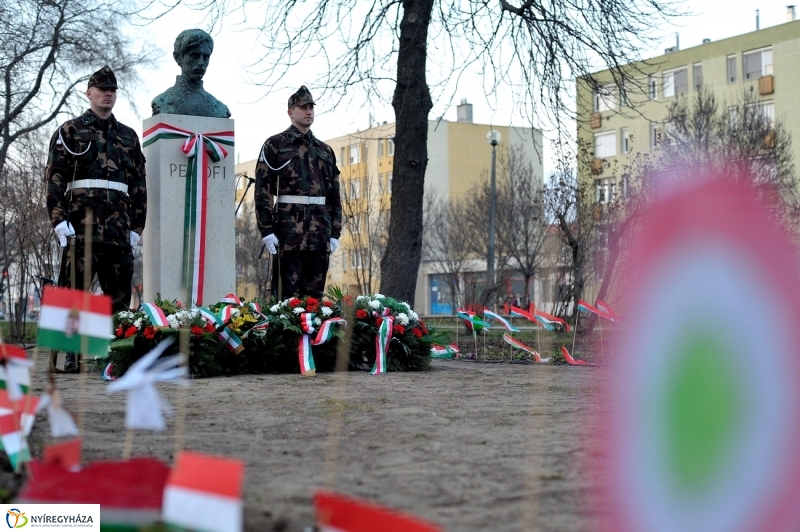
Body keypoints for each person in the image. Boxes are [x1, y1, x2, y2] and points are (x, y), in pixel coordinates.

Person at [45, 66, 147, 371]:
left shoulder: (128, 137)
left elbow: (139, 186)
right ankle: (70, 354)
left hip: (118, 230)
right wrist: (58, 220)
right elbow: (54, 180)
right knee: (74, 293)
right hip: (80, 226)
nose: (108, 94)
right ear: (89, 93)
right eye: (102, 89)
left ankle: (114, 353)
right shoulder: (70, 131)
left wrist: (137, 227)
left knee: (118, 297)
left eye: (112, 90)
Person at [254, 85, 342, 299]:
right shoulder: (275, 145)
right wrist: (266, 230)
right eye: (303, 107)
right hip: (288, 234)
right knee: (287, 301)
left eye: (311, 107)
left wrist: (335, 232)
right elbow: (263, 190)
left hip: (320, 233)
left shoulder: (325, 150)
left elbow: (334, 196)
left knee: (314, 301)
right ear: (290, 112)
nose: (308, 111)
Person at [151, 29, 231, 118]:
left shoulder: (220, 109)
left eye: (206, 57)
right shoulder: (162, 102)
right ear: (178, 57)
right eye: (194, 56)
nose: (201, 63)